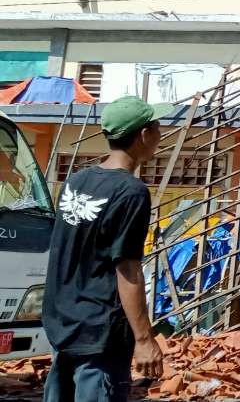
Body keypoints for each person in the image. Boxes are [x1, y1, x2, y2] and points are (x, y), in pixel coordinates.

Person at [43, 96, 174, 402]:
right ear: (143, 134)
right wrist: (144, 338)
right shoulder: (131, 192)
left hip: (64, 324)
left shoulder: (76, 180)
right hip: (100, 332)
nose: (160, 134)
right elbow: (127, 268)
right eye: (157, 127)